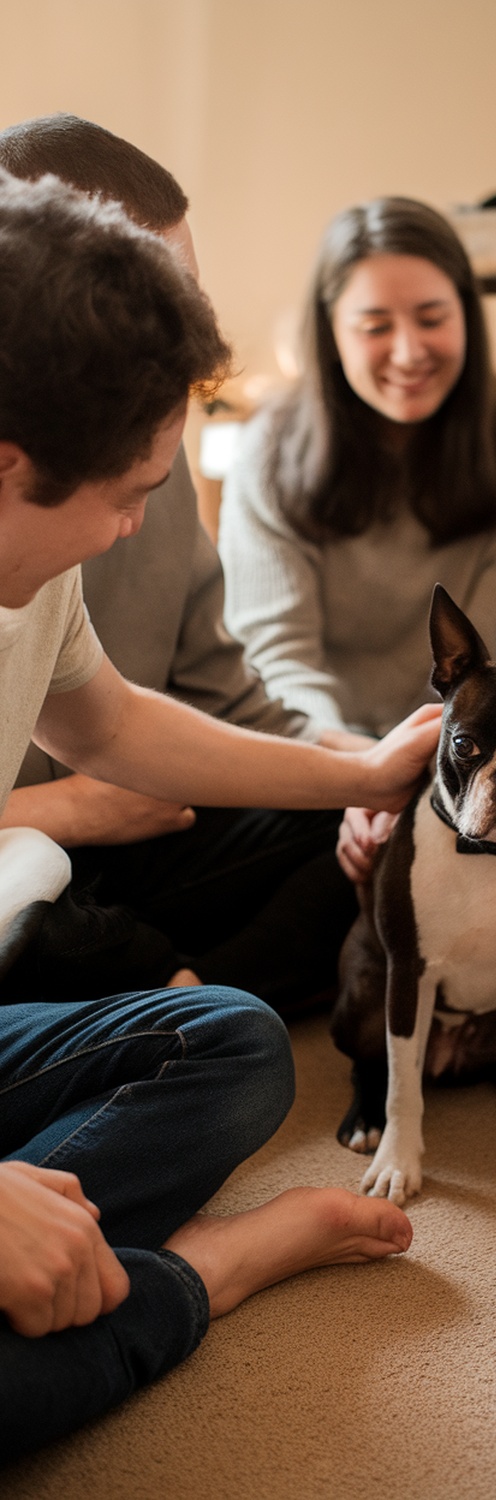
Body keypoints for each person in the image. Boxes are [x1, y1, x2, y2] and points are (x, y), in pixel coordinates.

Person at [0, 169, 437, 1458]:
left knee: (235, 1041)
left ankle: (71, 1253)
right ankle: (202, 1272)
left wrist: (359, 774)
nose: (141, 521)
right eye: (127, 493)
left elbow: (122, 726)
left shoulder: (29, 577)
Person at [0, 114, 368, 1013]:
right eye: (148, 297)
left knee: (356, 842)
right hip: (33, 868)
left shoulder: (136, 475)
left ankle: (180, 1010)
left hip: (132, 833)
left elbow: (137, 721)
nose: (180, 337)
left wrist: (368, 774)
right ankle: (165, 1010)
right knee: (48, 900)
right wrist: (68, 811)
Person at [218, 195, 496, 740]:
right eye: (375, 326)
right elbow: (275, 660)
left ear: (467, 316)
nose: (407, 352)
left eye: (432, 319)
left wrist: (418, 763)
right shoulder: (267, 455)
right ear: (331, 333)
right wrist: (355, 767)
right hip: (309, 745)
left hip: (458, 748)